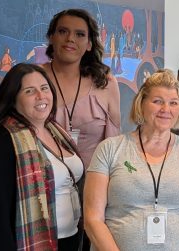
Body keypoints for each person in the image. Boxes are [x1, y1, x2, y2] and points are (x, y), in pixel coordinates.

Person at [83, 69, 179, 250]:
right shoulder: (109, 149)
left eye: (173, 103)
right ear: (141, 104)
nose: (166, 110)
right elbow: (93, 219)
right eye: (157, 101)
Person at [0, 63, 84, 251]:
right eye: (29, 91)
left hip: (71, 239)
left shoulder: (55, 130)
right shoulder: (0, 144)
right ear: (13, 99)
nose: (41, 96)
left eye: (44, 88)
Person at [41, 9, 121, 167]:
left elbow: (114, 149)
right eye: (63, 31)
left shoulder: (106, 82)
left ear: (89, 44)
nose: (70, 38)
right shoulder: (31, 78)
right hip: (43, 179)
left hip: (94, 179)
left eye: (80, 34)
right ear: (51, 37)